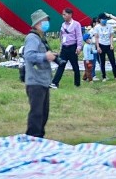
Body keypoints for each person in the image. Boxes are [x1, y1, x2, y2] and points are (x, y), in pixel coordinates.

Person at [24, 10, 57, 138]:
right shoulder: (32, 38)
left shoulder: (41, 38)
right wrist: (45, 56)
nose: (47, 23)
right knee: (37, 113)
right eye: (44, 21)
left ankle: (39, 138)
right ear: (37, 23)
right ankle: (33, 138)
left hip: (42, 80)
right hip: (35, 81)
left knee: (44, 113)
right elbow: (29, 55)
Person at [50, 8, 83, 89]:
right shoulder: (63, 25)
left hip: (72, 47)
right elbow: (62, 36)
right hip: (64, 48)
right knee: (61, 64)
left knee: (75, 66)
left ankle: (77, 84)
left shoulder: (76, 24)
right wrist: (61, 47)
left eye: (65, 14)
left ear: (70, 14)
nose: (63, 16)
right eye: (63, 14)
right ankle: (55, 83)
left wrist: (79, 47)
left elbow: (79, 36)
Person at [93, 12, 116, 82]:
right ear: (100, 20)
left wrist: (111, 44)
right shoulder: (97, 27)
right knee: (102, 62)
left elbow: (111, 36)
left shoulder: (109, 26)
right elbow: (96, 38)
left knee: (112, 61)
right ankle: (104, 77)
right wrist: (98, 47)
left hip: (108, 45)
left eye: (106, 19)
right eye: (103, 19)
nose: (105, 20)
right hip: (101, 45)